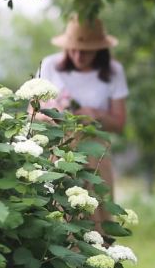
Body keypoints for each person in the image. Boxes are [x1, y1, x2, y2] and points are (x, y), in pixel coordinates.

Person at [36, 15, 128, 231]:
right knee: (59, 207)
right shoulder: (50, 65)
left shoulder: (114, 72)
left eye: (85, 51)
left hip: (95, 150)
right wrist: (53, 112)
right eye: (73, 49)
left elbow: (120, 123)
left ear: (99, 49)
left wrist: (96, 114)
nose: (79, 55)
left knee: (97, 212)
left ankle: (97, 259)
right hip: (58, 149)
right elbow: (32, 111)